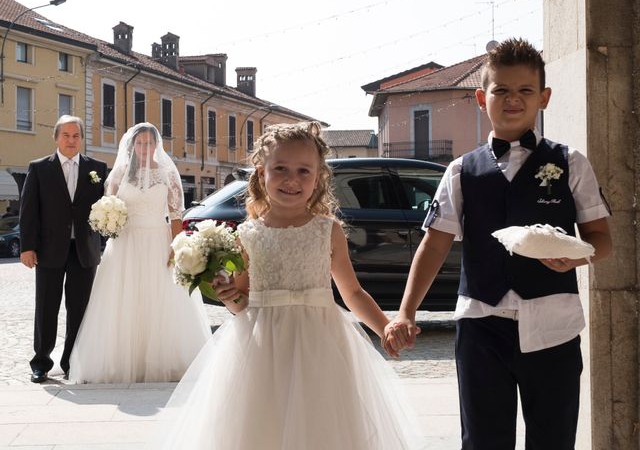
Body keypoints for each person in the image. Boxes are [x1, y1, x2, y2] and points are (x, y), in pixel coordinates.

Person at [384, 38, 613, 449]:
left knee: (554, 439)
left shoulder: (570, 162)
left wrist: (575, 259)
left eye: (525, 90)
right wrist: (405, 312)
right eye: (501, 90)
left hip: (554, 326)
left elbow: (601, 239)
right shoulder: (460, 171)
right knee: (483, 440)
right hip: (480, 323)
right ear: (480, 98)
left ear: (543, 98)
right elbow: (433, 246)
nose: (513, 99)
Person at [148, 121, 421, 449]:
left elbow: (352, 292)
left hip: (320, 344)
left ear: (318, 176)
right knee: (262, 425)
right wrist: (229, 297)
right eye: (281, 169)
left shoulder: (327, 230)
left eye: (304, 171)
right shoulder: (248, 233)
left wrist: (385, 327)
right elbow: (243, 300)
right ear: (262, 174)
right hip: (262, 345)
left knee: (321, 425)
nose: (292, 179)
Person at [68, 122, 211, 384]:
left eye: (149, 142)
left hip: (158, 239)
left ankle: (161, 361)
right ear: (132, 145)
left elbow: (176, 215)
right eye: (140, 142)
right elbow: (108, 205)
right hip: (126, 243)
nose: (145, 147)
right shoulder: (120, 173)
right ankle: (121, 362)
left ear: (157, 145)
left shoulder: (168, 173)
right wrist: (107, 220)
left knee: (158, 297)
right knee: (125, 297)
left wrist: (175, 246)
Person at [19, 115, 108, 383]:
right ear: (56, 137)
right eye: (66, 135)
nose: (71, 140)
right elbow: (28, 211)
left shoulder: (98, 168)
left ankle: (72, 362)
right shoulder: (39, 168)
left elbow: (106, 207)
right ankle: (41, 363)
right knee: (46, 307)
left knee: (79, 309)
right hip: (48, 249)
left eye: (76, 136)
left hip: (84, 250)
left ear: (82, 139)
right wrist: (27, 247)